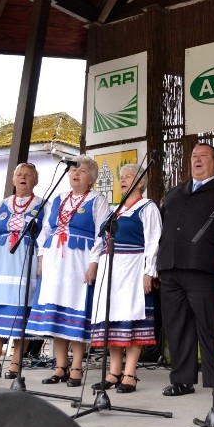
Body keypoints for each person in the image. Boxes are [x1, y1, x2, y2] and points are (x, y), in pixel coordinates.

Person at [157, 143, 214, 398]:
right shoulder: (174, 193)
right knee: (177, 327)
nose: (198, 160)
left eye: (204, 155)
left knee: (210, 325)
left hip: (203, 266)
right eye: (194, 156)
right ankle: (182, 379)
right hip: (170, 267)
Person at [25, 156, 109, 388]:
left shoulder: (97, 200)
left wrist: (93, 263)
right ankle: (60, 366)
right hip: (54, 261)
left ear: (91, 178)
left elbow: (101, 234)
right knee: (56, 314)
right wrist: (41, 258)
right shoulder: (58, 199)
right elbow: (45, 231)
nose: (76, 173)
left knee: (75, 312)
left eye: (82, 171)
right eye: (73, 169)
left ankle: (76, 367)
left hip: (78, 261)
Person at [90, 164, 161, 393]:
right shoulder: (115, 210)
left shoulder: (147, 208)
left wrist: (149, 271)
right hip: (111, 269)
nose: (123, 179)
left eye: (129, 176)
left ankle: (130, 373)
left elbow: (153, 241)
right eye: (121, 177)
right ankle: (114, 372)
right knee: (113, 319)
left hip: (133, 268)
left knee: (133, 319)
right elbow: (100, 240)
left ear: (141, 182)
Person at [0, 162, 44, 379]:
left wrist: (42, 261)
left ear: (35, 181)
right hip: (0, 260)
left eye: (28, 175)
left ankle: (15, 363)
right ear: (13, 180)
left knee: (22, 310)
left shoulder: (42, 204)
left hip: (26, 259)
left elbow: (45, 234)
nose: (23, 177)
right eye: (19, 174)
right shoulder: (3, 205)